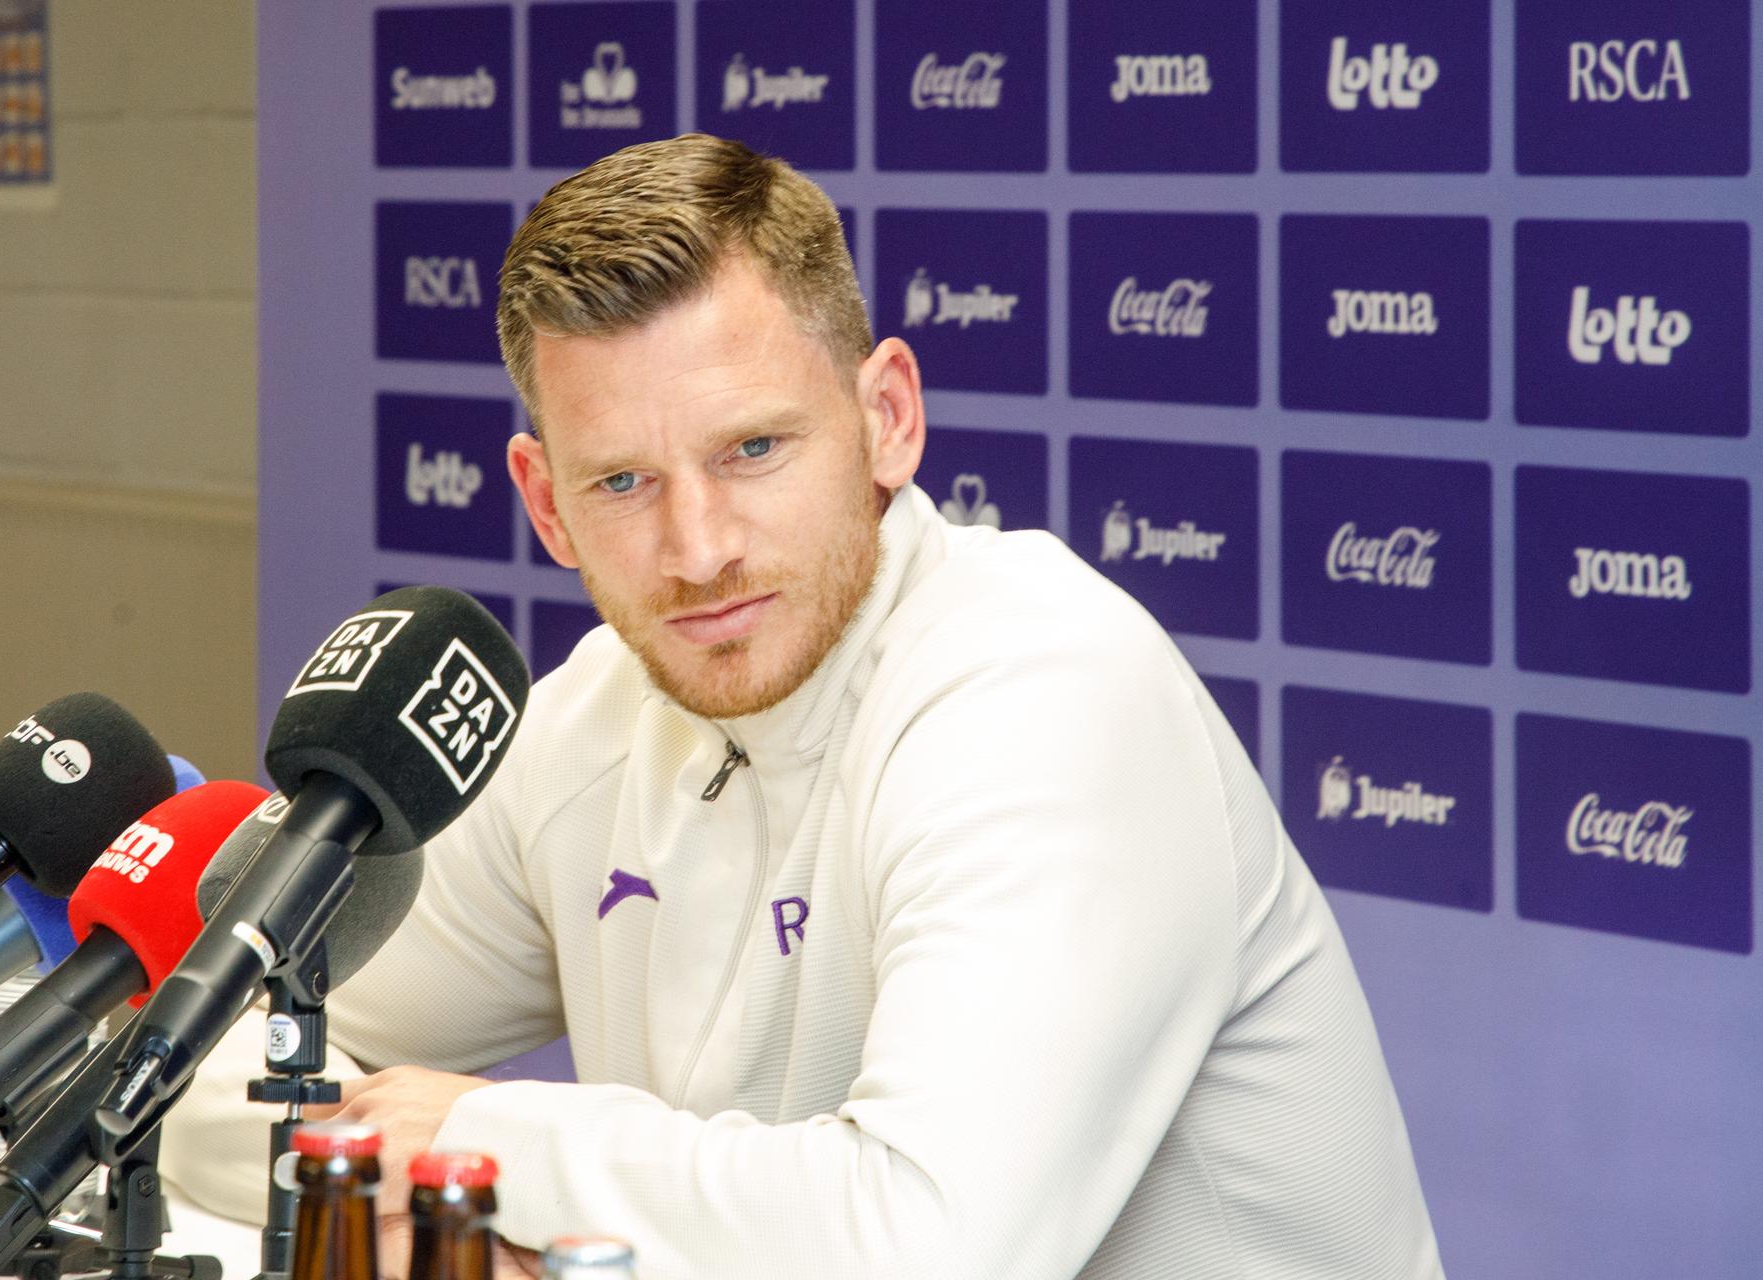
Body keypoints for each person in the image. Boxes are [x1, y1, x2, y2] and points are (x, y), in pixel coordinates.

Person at [162, 133, 1444, 1279]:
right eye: (622, 481)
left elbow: (928, 1240)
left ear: (887, 419)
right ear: (546, 504)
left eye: (753, 450)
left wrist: (493, 1142)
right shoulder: (595, 718)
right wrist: (419, 1200)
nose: (699, 545)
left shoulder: (1047, 688)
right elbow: (194, 1075)